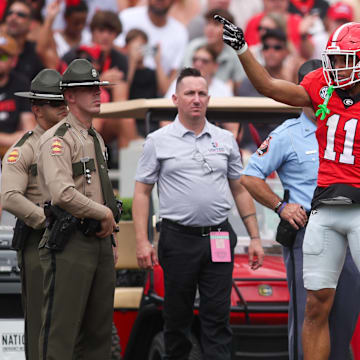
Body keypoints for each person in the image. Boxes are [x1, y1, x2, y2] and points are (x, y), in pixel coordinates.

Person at [215, 15, 360, 360]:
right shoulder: (319, 86)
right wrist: (243, 50)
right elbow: (268, 86)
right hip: (323, 210)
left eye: (345, 60)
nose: (337, 67)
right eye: (335, 59)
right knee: (314, 307)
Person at [133, 67, 264, 360]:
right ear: (175, 98)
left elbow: (240, 189)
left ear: (208, 98)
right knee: (177, 319)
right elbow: (142, 192)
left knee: (218, 318)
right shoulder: (158, 140)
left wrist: (254, 236)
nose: (196, 99)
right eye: (190, 93)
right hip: (178, 239)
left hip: (218, 236)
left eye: (201, 93)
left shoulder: (225, 139)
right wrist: (143, 241)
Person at [36, 58, 120, 360]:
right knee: (61, 332)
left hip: (97, 240)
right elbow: (61, 193)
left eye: (98, 87)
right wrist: (103, 214)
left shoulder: (94, 137)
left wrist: (109, 237)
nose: (97, 93)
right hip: (70, 241)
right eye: (88, 89)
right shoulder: (57, 140)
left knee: (98, 333)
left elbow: (101, 190)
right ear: (69, 97)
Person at [1, 68, 68, 360]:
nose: (63, 108)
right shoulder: (25, 147)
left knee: (70, 320)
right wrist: (45, 220)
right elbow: (9, 196)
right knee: (42, 320)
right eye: (55, 103)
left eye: (64, 102)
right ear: (37, 108)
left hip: (73, 241)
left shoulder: (71, 141)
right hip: (39, 240)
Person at [115, 0, 188, 95]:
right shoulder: (127, 17)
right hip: (122, 85)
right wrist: (131, 57)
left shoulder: (180, 32)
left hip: (156, 95)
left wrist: (158, 62)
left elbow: (168, 90)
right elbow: (113, 53)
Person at [0, 32, 36, 155]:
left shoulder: (21, 84)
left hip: (12, 153)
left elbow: (29, 132)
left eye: (3, 57)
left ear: (14, 60)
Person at [4, 0, 44, 81]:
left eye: (20, 15)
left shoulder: (35, 52)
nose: (13, 17)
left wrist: (50, 19)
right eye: (10, 13)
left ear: (31, 24)